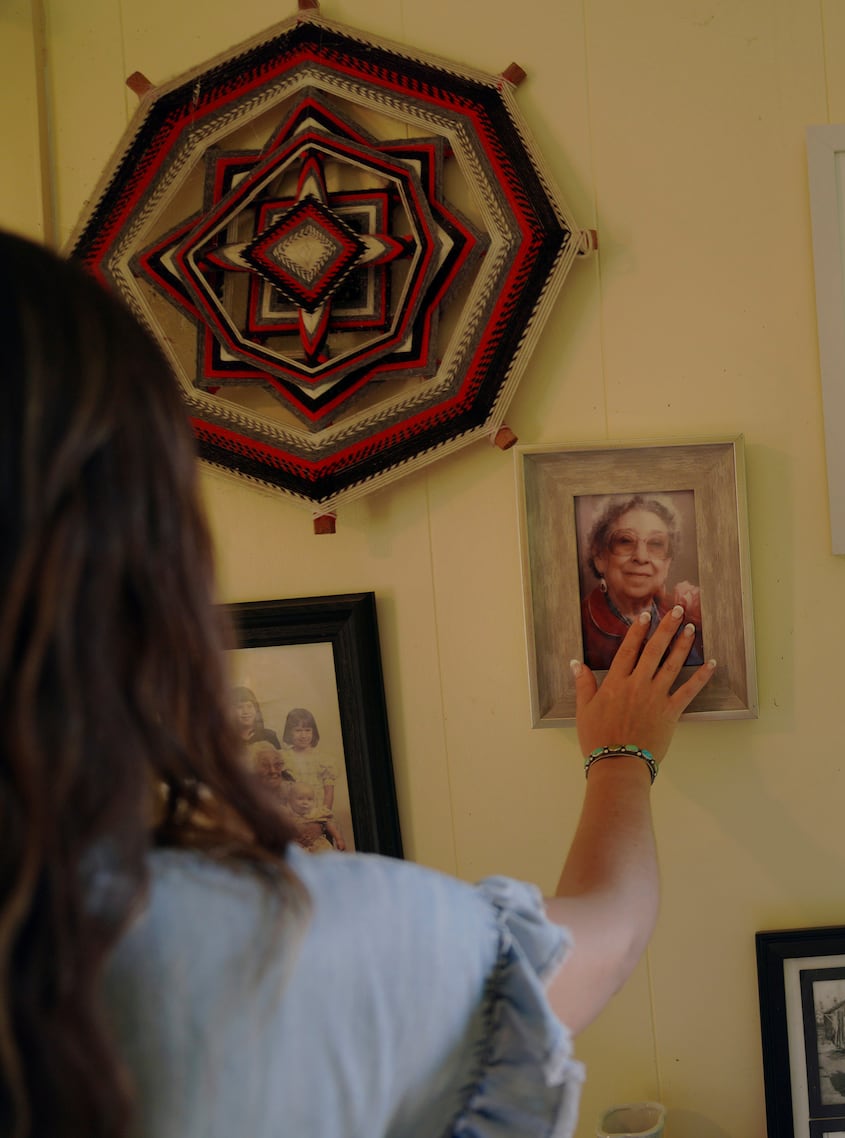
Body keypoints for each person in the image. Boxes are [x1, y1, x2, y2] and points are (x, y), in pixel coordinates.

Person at [0, 229, 715, 1138]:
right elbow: (599, 942)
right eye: (626, 544)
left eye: (660, 545)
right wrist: (622, 757)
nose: (644, 560)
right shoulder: (276, 950)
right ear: (145, 565)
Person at [581, 494, 705, 672]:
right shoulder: (579, 627)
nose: (641, 557)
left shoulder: (680, 617)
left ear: (667, 562)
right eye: (625, 541)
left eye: (655, 543)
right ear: (599, 556)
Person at [282, 707, 336, 813]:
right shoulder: (283, 757)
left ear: (313, 732)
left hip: (316, 812)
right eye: (298, 731)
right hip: (292, 815)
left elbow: (328, 792)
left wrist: (323, 816)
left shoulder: (323, 760)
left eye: (308, 730)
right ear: (289, 732)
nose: (303, 735)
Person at [286, 780, 346, 853]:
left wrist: (339, 839)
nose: (305, 802)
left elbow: (329, 824)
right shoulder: (288, 815)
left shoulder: (316, 813)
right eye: (300, 798)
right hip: (298, 846)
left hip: (318, 846)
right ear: (290, 800)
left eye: (309, 799)